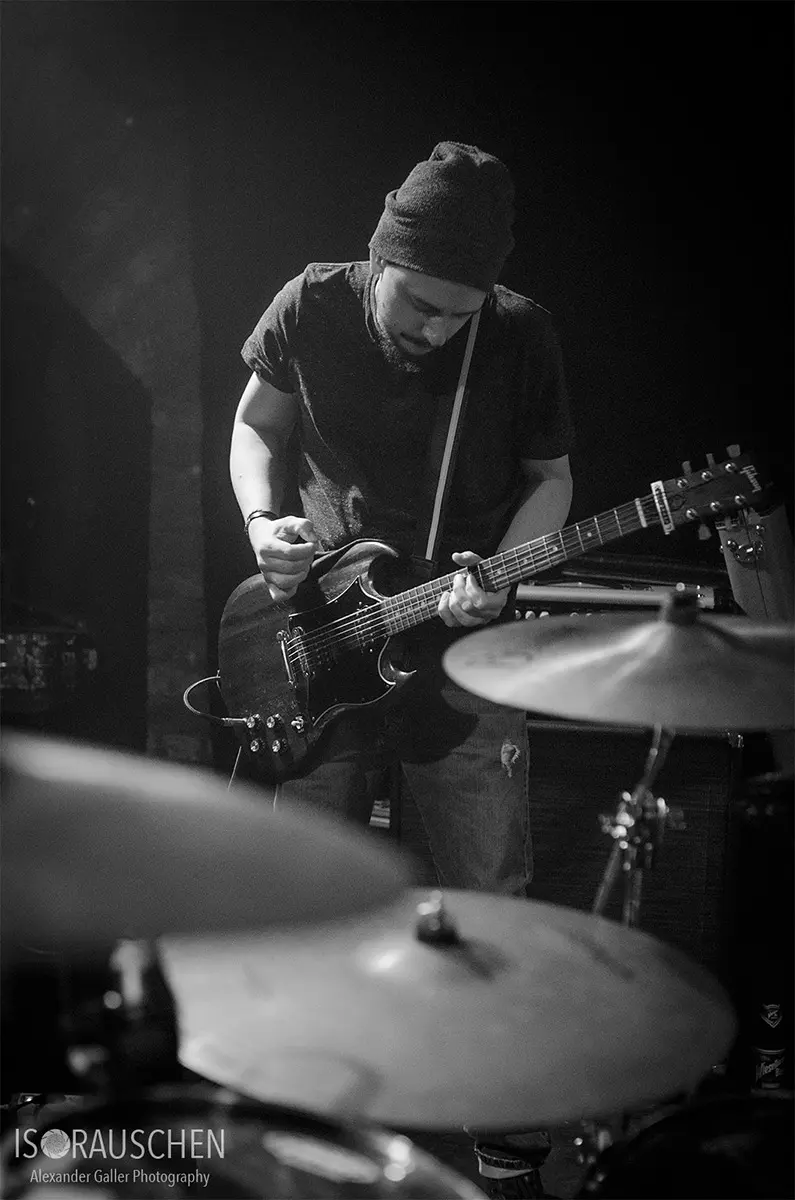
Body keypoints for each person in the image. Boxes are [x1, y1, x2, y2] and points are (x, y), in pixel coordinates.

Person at [229, 141, 574, 1199]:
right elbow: (255, 425)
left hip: (457, 644)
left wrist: (502, 573)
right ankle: (302, 1127)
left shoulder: (519, 334)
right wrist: (264, 526)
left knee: (489, 898)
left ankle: (507, 1152)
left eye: (456, 315)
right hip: (322, 640)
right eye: (418, 303)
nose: (433, 329)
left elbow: (552, 480)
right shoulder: (309, 304)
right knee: (298, 898)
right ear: (380, 259)